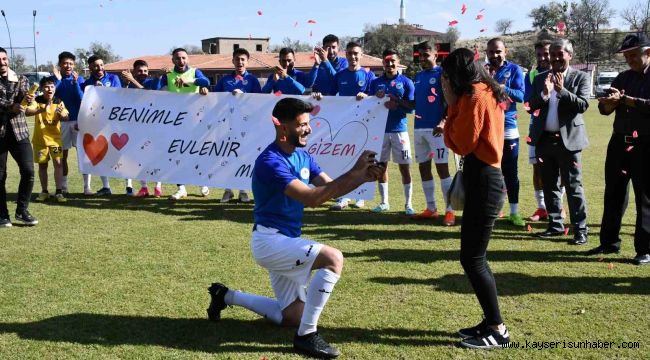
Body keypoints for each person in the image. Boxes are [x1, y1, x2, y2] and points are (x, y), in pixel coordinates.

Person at [206, 98, 382, 358]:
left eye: (308, 124)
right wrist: (355, 172)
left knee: (292, 317)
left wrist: (361, 176)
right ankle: (307, 337)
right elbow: (313, 198)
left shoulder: (303, 155)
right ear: (282, 126)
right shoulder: (270, 162)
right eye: (302, 125)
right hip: (269, 243)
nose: (308, 129)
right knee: (333, 258)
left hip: (284, 241)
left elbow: (329, 189)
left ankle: (226, 296)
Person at [442, 47, 510, 349]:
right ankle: (490, 322)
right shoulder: (486, 91)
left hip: (484, 178)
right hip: (483, 177)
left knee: (473, 258)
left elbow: (462, 144)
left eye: (447, 77)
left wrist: (449, 108)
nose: (444, 81)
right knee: (472, 257)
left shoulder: (473, 96)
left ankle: (498, 330)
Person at [587, 34, 650, 265]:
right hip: (619, 142)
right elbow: (606, 109)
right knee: (613, 193)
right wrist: (609, 103)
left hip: (645, 143)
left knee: (644, 196)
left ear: (648, 52)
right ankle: (609, 242)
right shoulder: (623, 77)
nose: (629, 60)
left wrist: (627, 100)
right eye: (626, 56)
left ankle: (645, 248)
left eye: (633, 55)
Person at [529, 39, 590, 245]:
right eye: (551, 54)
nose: (554, 58)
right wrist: (545, 94)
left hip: (569, 141)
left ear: (569, 55)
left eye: (559, 54)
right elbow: (530, 106)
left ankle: (580, 229)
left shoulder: (580, 77)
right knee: (549, 185)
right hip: (544, 140)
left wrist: (562, 91)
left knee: (573, 186)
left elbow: (583, 105)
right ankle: (555, 225)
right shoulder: (540, 78)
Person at [326, 41, 376, 210]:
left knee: (364, 160)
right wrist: (318, 96)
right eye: (350, 53)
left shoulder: (368, 76)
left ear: (361, 55)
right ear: (345, 55)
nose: (353, 56)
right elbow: (330, 98)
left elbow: (378, 96)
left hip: (365, 124)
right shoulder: (339, 76)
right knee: (345, 159)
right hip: (345, 125)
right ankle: (344, 196)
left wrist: (367, 96)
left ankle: (360, 196)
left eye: (356, 53)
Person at [411, 42, 455, 225]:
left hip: (437, 130)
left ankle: (450, 211)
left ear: (435, 55)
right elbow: (416, 104)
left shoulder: (443, 75)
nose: (422, 58)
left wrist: (444, 122)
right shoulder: (419, 76)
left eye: (426, 55)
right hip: (418, 128)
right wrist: (396, 101)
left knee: (442, 169)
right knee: (423, 168)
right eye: (420, 55)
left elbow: (452, 102)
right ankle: (431, 208)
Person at [368, 49, 415, 215]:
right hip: (380, 131)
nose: (390, 64)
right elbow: (367, 106)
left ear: (398, 61)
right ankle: (384, 202)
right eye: (387, 62)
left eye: (393, 61)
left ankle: (408, 204)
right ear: (383, 63)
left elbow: (411, 107)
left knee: (404, 168)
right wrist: (377, 99)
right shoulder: (375, 83)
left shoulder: (407, 82)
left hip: (399, 131)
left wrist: (397, 102)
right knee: (381, 167)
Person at [160, 48, 211, 200]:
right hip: (174, 122)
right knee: (176, 153)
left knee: (196, 152)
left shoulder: (195, 72)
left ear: (187, 59)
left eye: (183, 58)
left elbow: (206, 82)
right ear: (172, 60)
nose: (181, 61)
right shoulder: (168, 75)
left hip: (195, 120)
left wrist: (191, 82)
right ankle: (181, 187)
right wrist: (160, 76)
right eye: (177, 58)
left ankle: (201, 182)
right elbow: (156, 90)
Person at [212, 48, 261, 203]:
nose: (240, 62)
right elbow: (214, 100)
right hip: (226, 124)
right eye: (237, 59)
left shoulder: (252, 80)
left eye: (243, 59)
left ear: (247, 61)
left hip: (246, 126)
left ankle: (243, 190)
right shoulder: (224, 80)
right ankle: (228, 189)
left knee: (244, 156)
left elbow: (259, 101)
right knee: (227, 155)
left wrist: (244, 96)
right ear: (232, 61)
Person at [486, 38, 525, 226]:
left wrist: (503, 87)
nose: (495, 55)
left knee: (510, 171)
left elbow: (521, 95)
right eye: (491, 52)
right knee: (491, 171)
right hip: (488, 128)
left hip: (508, 127)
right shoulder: (482, 70)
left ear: (505, 52)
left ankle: (514, 212)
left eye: (498, 51)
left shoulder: (515, 70)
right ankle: (494, 208)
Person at [0, 47, 38, 227]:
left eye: (5, 59)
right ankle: (2, 215)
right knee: (0, 176)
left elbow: (24, 96)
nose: (2, 63)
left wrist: (27, 99)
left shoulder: (21, 78)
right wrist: (10, 107)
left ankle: (22, 211)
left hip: (19, 132)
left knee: (29, 171)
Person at [81, 54, 123, 196]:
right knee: (97, 153)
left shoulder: (113, 78)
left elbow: (119, 95)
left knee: (120, 154)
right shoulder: (87, 83)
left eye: (101, 65)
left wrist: (103, 89)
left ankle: (130, 187)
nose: (99, 68)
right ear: (90, 68)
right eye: (95, 66)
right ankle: (104, 187)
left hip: (113, 122)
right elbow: (84, 102)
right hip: (95, 123)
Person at [121, 59, 164, 198]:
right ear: (134, 71)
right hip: (135, 126)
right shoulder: (129, 83)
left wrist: (132, 80)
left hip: (153, 125)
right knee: (137, 157)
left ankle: (158, 186)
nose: (143, 73)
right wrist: (126, 83)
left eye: (145, 71)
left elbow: (148, 95)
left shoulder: (153, 81)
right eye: (139, 71)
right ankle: (144, 187)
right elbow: (119, 99)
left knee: (155, 157)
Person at [24, 77, 69, 203]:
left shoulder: (59, 101)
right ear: (42, 89)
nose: (50, 89)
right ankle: (44, 191)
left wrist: (63, 115)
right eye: (47, 87)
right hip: (40, 140)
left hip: (55, 140)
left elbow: (65, 116)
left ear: (55, 88)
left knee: (59, 165)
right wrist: (42, 109)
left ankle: (59, 192)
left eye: (52, 86)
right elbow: (28, 112)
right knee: (43, 166)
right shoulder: (37, 101)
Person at [51, 51, 89, 195]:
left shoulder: (79, 80)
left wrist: (75, 84)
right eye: (65, 63)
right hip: (62, 123)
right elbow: (52, 96)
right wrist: (58, 79)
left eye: (71, 63)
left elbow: (82, 99)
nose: (68, 66)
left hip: (78, 122)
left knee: (83, 155)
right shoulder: (54, 80)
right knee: (63, 156)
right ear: (59, 64)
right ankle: (64, 187)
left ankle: (87, 187)